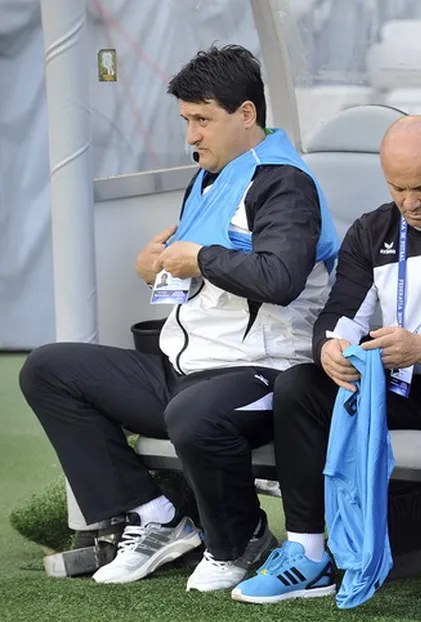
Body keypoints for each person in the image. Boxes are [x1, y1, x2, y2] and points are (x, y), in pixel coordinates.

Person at [19, 45, 341, 591]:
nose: (191, 135)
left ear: (246, 114)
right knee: (48, 369)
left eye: (202, 120)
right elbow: (195, 272)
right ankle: (155, 516)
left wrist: (201, 259)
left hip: (265, 373)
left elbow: (281, 279)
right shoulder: (209, 176)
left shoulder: (285, 182)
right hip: (185, 367)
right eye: (186, 120)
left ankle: (239, 542)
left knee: (192, 414)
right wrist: (156, 270)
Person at [231, 116, 421, 622]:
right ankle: (307, 552)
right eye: (397, 187)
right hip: (399, 379)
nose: (410, 202)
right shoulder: (372, 229)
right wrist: (330, 347)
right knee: (299, 385)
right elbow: (339, 313)